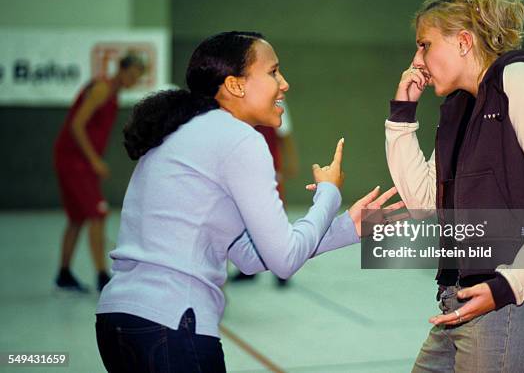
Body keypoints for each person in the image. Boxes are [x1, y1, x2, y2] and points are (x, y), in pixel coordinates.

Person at [95, 31, 401, 372]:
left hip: (119, 322)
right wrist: (329, 194)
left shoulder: (182, 131)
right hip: (174, 324)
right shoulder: (239, 139)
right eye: (273, 72)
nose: (284, 84)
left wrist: (347, 228)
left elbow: (250, 256)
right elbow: (284, 260)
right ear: (235, 85)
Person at [384, 0, 524, 372]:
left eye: (424, 44)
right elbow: (423, 203)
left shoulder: (520, 80)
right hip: (458, 304)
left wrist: (508, 285)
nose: (417, 60)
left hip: (508, 308)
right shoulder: (458, 106)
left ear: (463, 42)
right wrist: (402, 117)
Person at [53, 54, 145, 292]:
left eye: (138, 77)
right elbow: (76, 124)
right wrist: (94, 160)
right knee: (97, 213)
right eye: (133, 74)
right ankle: (102, 275)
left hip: (77, 160)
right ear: (122, 70)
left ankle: (63, 273)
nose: (134, 80)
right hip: (75, 160)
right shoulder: (102, 88)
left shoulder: (112, 92)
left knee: (77, 218)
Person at [232, 99, 299, 286]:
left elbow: (285, 133)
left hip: (270, 168)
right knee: (245, 217)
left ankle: (282, 269)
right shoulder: (239, 99)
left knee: (275, 218)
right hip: (245, 167)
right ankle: (248, 266)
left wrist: (290, 160)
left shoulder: (276, 102)